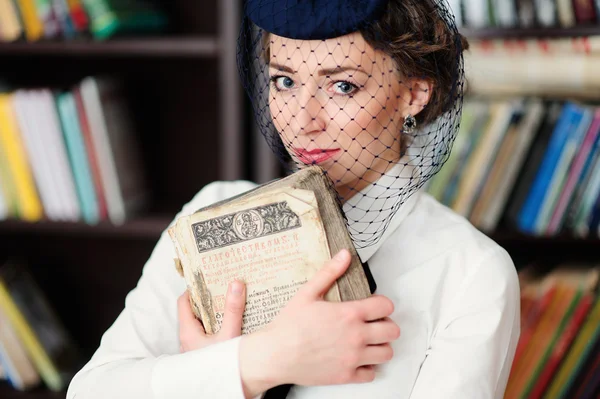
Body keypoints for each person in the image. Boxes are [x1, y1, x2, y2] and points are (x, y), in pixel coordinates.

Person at [66, 0, 520, 398]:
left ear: (414, 93)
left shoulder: (470, 273)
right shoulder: (210, 213)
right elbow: (90, 392)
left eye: (342, 85)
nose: (303, 120)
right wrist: (257, 363)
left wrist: (202, 376)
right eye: (284, 81)